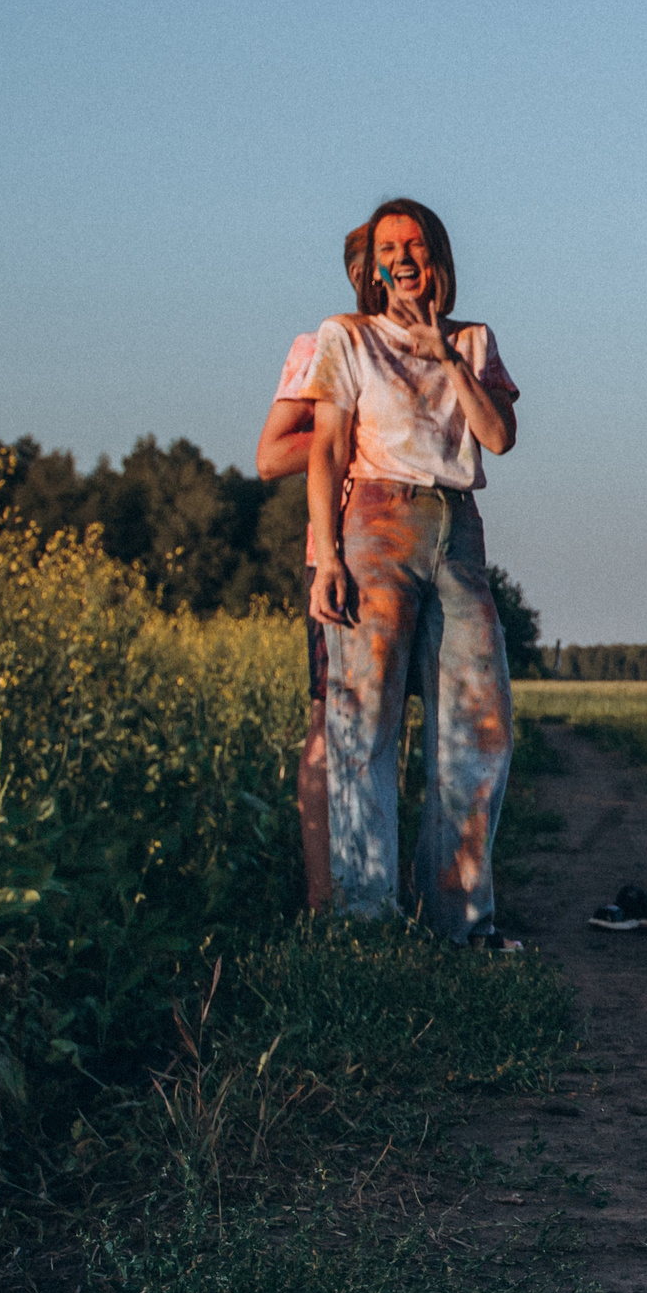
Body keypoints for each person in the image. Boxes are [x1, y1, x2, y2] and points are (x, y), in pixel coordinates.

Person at [303, 198, 522, 947]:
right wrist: (328, 555)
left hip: (457, 531)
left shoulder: (475, 339)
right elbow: (326, 448)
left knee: (480, 726)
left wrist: (446, 354)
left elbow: (498, 435)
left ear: (438, 259)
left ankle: (460, 923)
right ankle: (365, 921)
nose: (403, 256)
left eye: (416, 243)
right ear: (372, 268)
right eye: (389, 246)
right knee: (362, 722)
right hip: (375, 520)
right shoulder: (348, 336)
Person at [253, 224, 371, 913]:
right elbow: (269, 457)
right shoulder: (318, 347)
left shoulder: (414, 348)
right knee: (328, 722)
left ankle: (381, 885)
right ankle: (323, 901)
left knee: (390, 728)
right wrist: (347, 433)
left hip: (408, 554)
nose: (381, 276)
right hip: (336, 555)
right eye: (368, 264)